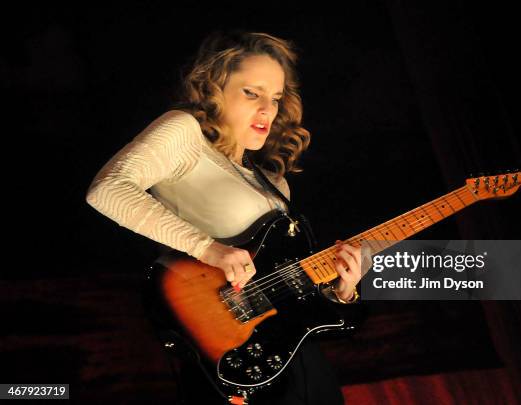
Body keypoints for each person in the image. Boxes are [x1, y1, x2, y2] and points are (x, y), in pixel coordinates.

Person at [86, 30, 363, 404]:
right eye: (252, 93)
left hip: (298, 365)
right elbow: (107, 189)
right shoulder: (185, 133)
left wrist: (342, 290)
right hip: (227, 356)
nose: (267, 109)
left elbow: (294, 306)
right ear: (215, 89)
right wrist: (208, 248)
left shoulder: (276, 184)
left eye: (276, 98)